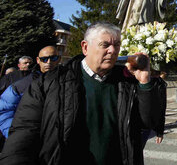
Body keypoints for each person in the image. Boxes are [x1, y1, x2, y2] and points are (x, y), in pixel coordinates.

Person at [0, 22, 166, 165]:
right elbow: (23, 135)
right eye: (105, 45)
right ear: (85, 47)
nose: (112, 50)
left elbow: (148, 122)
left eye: (117, 45)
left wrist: (144, 83)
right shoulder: (49, 83)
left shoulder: (128, 82)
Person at [0, 46, 60, 138]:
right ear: (38, 60)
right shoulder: (22, 84)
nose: (48, 62)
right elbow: (4, 110)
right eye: (44, 59)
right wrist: (14, 134)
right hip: (24, 139)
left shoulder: (68, 82)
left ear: (59, 59)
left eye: (53, 58)